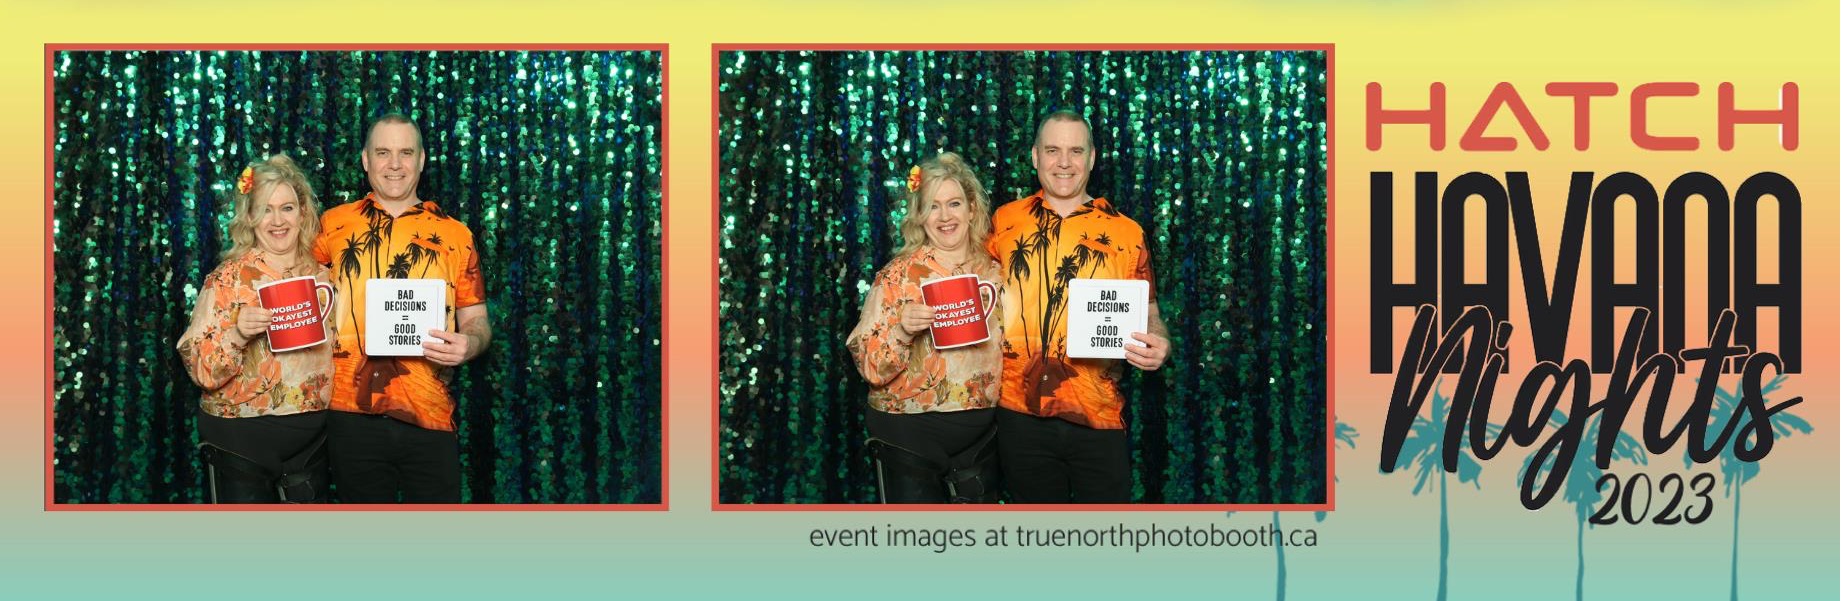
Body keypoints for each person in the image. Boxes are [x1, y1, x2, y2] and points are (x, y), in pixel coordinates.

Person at [985, 111, 1171, 503]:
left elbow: (1149, 306)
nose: (1064, 163)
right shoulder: (1004, 222)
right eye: (1053, 150)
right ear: (1035, 156)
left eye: (1075, 151)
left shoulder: (1127, 232)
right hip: (1018, 413)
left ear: (1092, 157)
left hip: (1098, 414)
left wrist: (1159, 342)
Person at [312, 113, 492, 503]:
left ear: (422, 159)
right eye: (383, 152)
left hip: (431, 415)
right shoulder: (331, 225)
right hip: (348, 413)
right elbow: (293, 287)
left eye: (405, 153)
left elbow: (477, 319)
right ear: (365, 160)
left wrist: (471, 344)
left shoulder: (456, 234)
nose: (394, 164)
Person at [846, 152, 1004, 503]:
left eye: (954, 203)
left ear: (972, 209)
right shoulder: (897, 275)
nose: (945, 216)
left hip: (980, 441)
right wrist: (903, 332)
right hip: (908, 435)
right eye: (933, 206)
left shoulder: (997, 273)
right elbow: (869, 366)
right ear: (920, 216)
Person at [177, 154, 333, 503]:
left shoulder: (325, 276)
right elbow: (200, 369)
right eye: (265, 210)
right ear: (249, 217)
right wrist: (237, 335)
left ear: (303, 213)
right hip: (240, 442)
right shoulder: (227, 279)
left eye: (287, 208)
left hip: (312, 445)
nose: (277, 221)